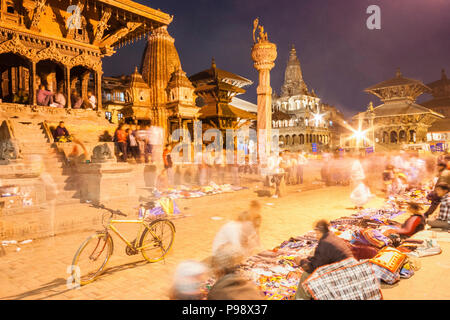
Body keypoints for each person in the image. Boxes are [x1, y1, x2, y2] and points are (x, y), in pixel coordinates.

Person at [294, 219, 353, 300]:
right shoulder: (331, 237)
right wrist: (308, 259)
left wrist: (300, 261)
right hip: (347, 269)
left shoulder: (325, 243)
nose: (315, 235)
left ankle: (300, 298)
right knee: (312, 255)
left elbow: (313, 268)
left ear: (318, 232)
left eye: (316, 233)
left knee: (306, 275)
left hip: (342, 274)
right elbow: (321, 259)